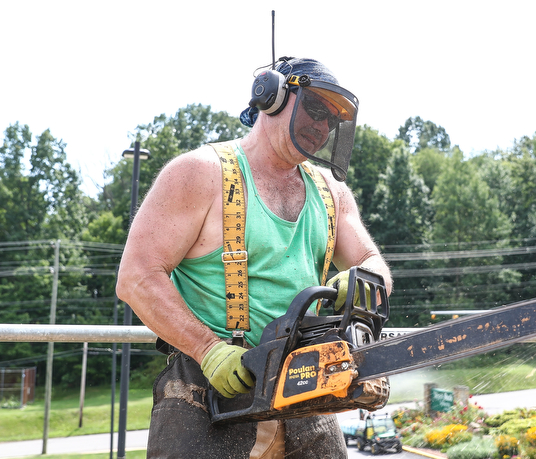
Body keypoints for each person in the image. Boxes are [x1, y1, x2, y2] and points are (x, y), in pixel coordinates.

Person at [117, 57, 392, 459]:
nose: (321, 127)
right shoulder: (201, 173)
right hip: (211, 387)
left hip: (305, 381)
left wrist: (367, 278)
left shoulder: (332, 192)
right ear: (273, 95)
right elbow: (137, 277)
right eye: (316, 109)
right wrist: (207, 349)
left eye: (331, 120)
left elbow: (371, 260)